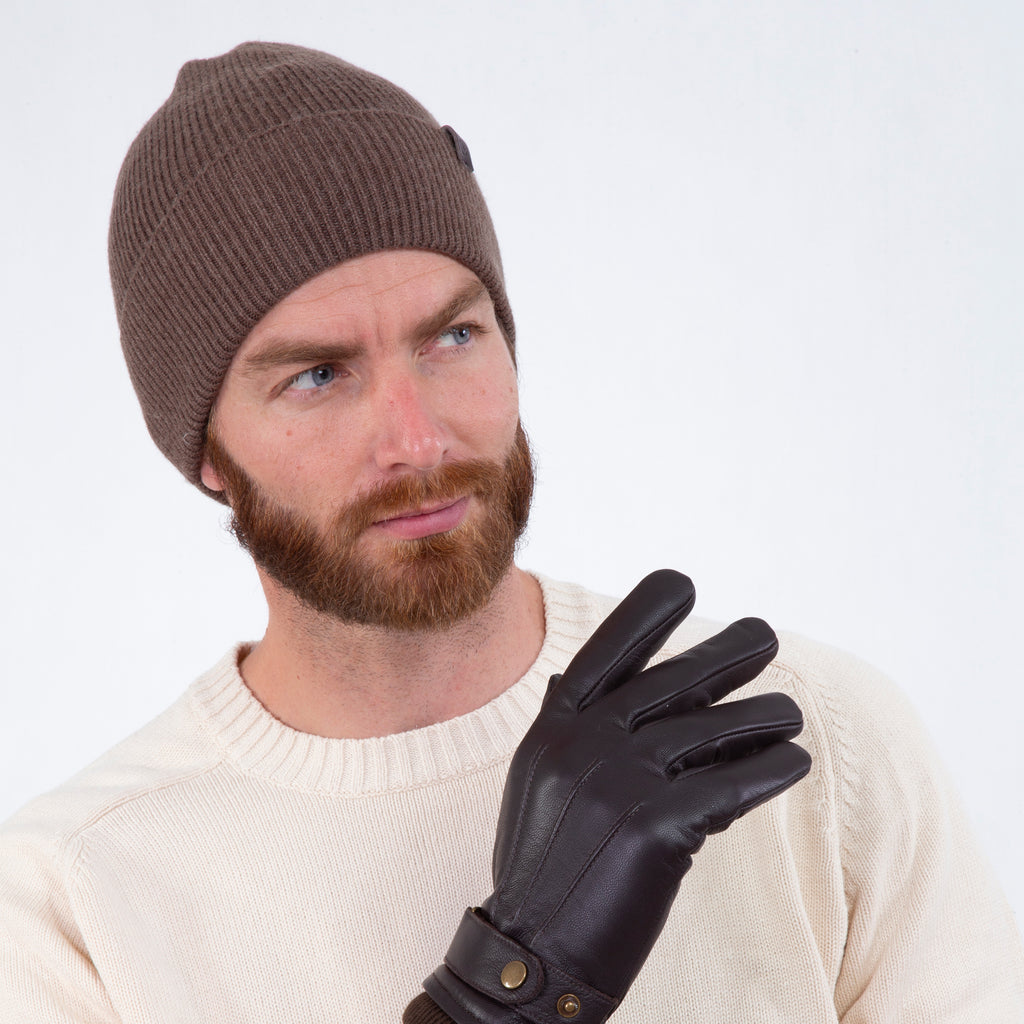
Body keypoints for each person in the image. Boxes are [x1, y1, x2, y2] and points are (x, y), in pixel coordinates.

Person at [1, 40, 1021, 1024]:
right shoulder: (71, 904)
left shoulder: (800, 737)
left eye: (452, 335)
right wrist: (516, 989)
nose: (417, 440)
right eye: (317, 375)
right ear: (207, 453)